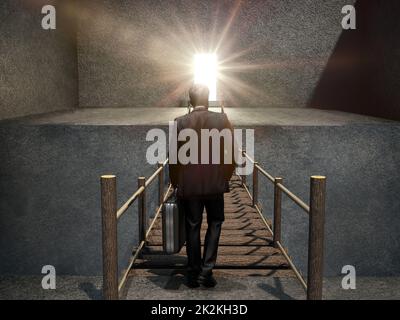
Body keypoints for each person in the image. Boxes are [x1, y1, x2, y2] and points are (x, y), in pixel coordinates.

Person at [169, 84, 235, 288]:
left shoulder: (179, 122)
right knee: (215, 223)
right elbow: (230, 153)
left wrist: (175, 183)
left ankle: (192, 272)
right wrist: (225, 176)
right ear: (208, 100)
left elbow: (174, 159)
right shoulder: (221, 120)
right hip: (215, 183)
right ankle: (207, 271)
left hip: (190, 185)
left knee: (192, 225)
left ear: (190, 102)